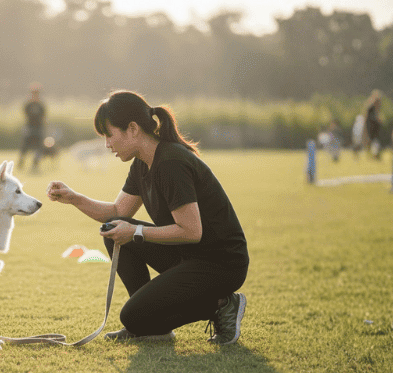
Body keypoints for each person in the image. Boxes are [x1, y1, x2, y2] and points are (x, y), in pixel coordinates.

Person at [47, 91, 248, 345]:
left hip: (220, 263)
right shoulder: (143, 163)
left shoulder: (171, 162)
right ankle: (150, 324)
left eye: (110, 135)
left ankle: (222, 304)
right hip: (189, 255)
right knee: (114, 230)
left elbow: (191, 231)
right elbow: (118, 212)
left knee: (132, 316)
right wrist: (73, 198)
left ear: (132, 129)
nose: (107, 144)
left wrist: (137, 233)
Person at [17, 83, 46, 173]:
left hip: (39, 128)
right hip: (29, 127)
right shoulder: (28, 104)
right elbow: (25, 115)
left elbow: (43, 117)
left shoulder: (41, 105)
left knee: (39, 147)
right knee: (24, 146)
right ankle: (21, 162)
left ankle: (35, 164)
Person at [364, 91, 383, 159]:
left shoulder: (372, 104)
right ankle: (374, 154)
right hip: (371, 124)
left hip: (373, 124)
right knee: (373, 140)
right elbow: (371, 115)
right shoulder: (371, 105)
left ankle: (375, 154)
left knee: (373, 140)